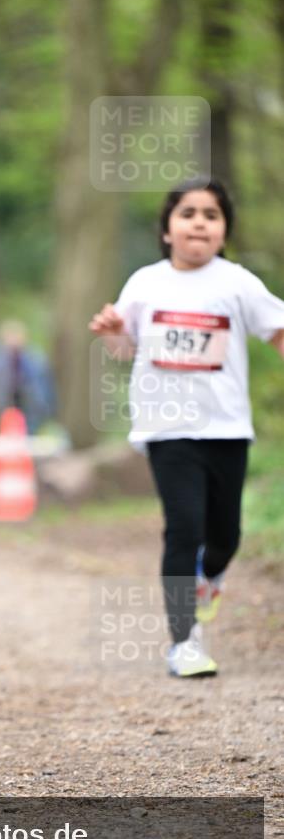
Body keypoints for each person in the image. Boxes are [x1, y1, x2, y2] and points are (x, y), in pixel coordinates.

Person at [90, 178, 284, 678]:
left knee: (225, 537)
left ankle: (208, 578)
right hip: (166, 427)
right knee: (184, 527)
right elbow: (123, 348)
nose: (200, 221)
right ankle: (184, 640)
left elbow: (277, 331)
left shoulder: (236, 282)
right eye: (188, 213)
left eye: (212, 215)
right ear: (167, 229)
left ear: (223, 231)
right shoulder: (147, 282)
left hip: (226, 427)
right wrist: (114, 333)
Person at [0, 319, 57, 433]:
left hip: (30, 409)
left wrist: (47, 409)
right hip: (1, 409)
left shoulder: (35, 358)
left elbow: (45, 386)